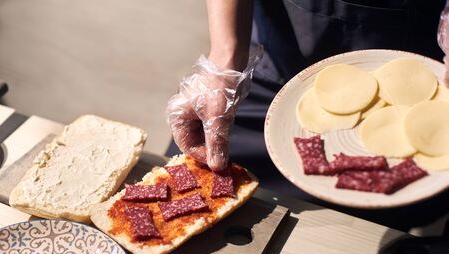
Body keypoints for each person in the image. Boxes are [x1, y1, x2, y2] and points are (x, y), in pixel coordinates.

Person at [166, 0, 449, 231]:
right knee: (186, 183)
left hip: (413, 81)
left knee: (354, 236)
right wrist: (224, 60)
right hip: (276, 59)